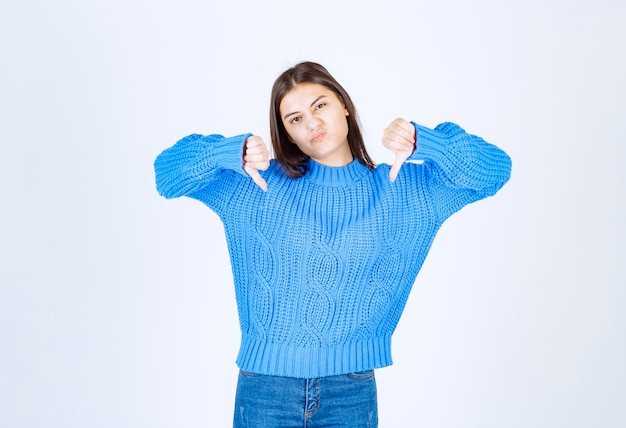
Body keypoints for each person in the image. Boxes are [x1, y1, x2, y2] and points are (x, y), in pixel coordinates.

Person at [154, 61, 512, 427]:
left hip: (350, 390)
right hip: (265, 390)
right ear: (288, 135)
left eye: (319, 105)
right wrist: (226, 153)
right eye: (294, 119)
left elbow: (496, 170)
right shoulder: (254, 185)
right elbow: (166, 174)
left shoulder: (404, 189)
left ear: (344, 104)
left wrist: (428, 143)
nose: (311, 123)